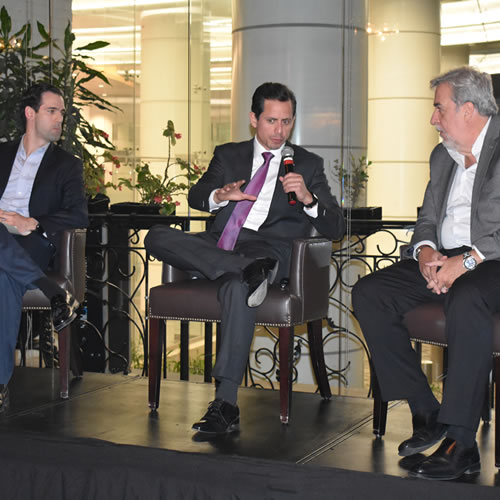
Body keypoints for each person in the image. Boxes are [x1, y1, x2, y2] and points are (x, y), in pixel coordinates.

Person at [145, 82, 345, 434]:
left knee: (240, 289)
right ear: (254, 119)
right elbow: (196, 195)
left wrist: (309, 198)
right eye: (271, 121)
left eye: (286, 122)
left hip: (266, 249)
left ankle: (225, 403)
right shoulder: (229, 154)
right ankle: (247, 271)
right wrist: (219, 196)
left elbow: (337, 227)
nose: (278, 130)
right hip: (220, 244)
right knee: (156, 235)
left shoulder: (307, 164)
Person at [352, 66, 500, 480]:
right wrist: (426, 252)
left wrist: (464, 263)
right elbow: (426, 218)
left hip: (492, 264)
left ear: (468, 110)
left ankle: (461, 442)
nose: (433, 119)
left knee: (467, 296)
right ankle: (425, 407)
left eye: (439, 108)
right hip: (447, 259)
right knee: (369, 292)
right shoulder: (442, 156)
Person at [0, 82, 88, 411]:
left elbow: (79, 214)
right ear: (30, 113)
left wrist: (31, 222)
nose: (59, 119)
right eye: (52, 111)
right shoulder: (1, 153)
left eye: (61, 113)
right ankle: (52, 292)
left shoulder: (66, 164)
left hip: (30, 241)